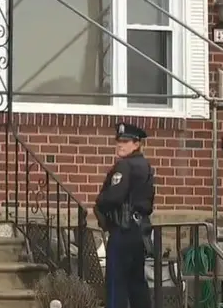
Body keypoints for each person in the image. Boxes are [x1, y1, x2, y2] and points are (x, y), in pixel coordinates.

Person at [95, 122, 154, 308]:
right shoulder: (145, 165)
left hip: (123, 229)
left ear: (137, 144)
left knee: (116, 283)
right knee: (137, 283)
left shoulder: (124, 166)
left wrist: (100, 203)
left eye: (126, 142)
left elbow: (113, 198)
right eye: (119, 141)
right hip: (139, 231)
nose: (120, 145)